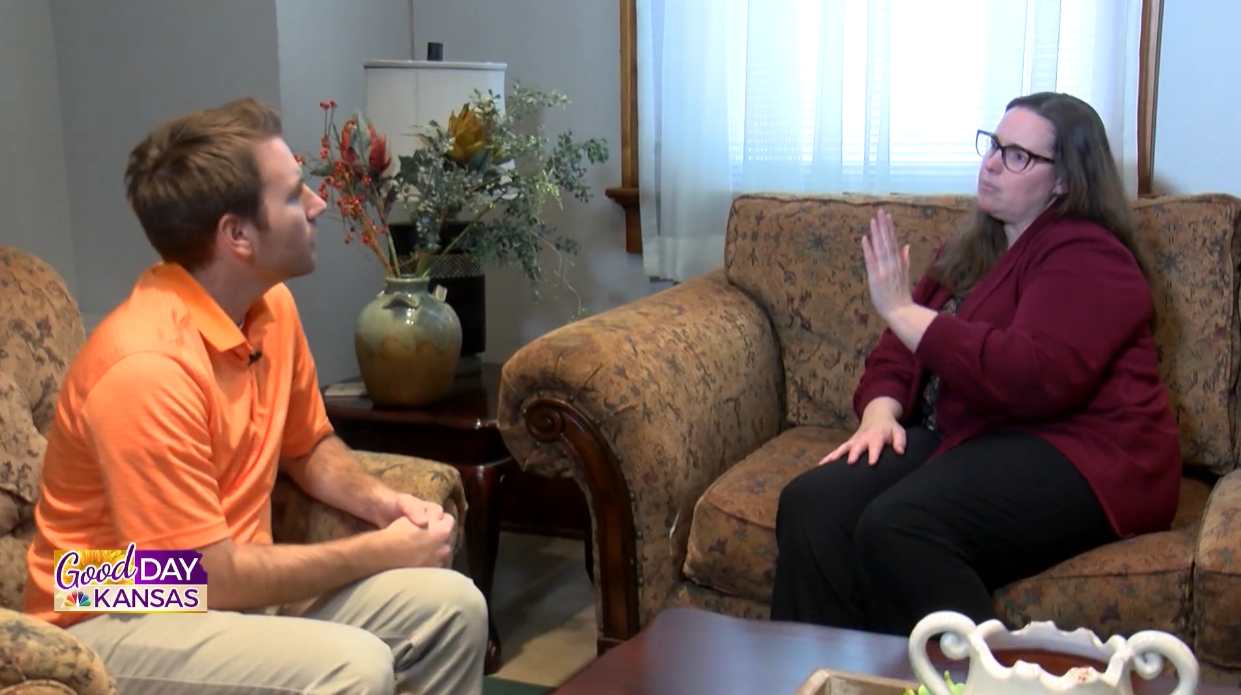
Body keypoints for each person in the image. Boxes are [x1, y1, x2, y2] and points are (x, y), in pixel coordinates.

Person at [23, 97, 488, 695]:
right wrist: (382, 550)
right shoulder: (145, 367)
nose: (319, 204)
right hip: (105, 603)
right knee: (354, 666)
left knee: (453, 607)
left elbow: (308, 443)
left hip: (215, 586)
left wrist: (383, 505)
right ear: (236, 234)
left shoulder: (268, 306)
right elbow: (197, 579)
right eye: (295, 195)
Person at [768, 92, 1182, 636]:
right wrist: (880, 413)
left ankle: (982, 683)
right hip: (972, 434)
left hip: (1084, 451)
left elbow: (1029, 378)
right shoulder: (969, 248)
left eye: (1017, 156)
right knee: (812, 503)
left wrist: (900, 308)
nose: (990, 164)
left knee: (898, 527)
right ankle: (827, 675)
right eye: (994, 145)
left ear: (1064, 181)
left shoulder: (1089, 254)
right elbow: (899, 347)